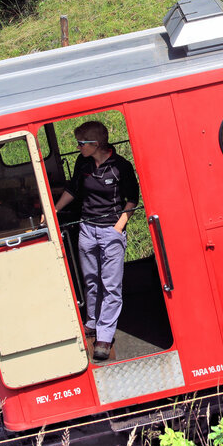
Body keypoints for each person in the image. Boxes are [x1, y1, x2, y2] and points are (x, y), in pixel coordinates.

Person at [51, 121, 139, 362]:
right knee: (91, 280)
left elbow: (132, 199)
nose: (78, 147)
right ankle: (92, 322)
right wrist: (54, 210)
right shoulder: (83, 163)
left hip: (111, 230)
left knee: (111, 285)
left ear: (96, 144)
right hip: (87, 229)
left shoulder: (121, 167)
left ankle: (104, 336)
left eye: (81, 143)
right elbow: (73, 189)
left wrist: (118, 228)